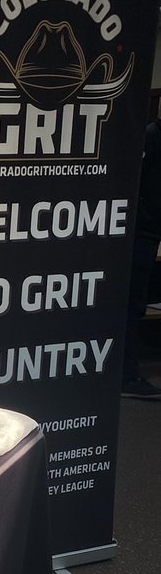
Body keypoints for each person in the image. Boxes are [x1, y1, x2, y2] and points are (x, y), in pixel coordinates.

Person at [122, 116, 161, 399]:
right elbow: (132, 183)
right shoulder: (151, 135)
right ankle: (126, 376)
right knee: (131, 306)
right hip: (140, 235)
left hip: (151, 232)